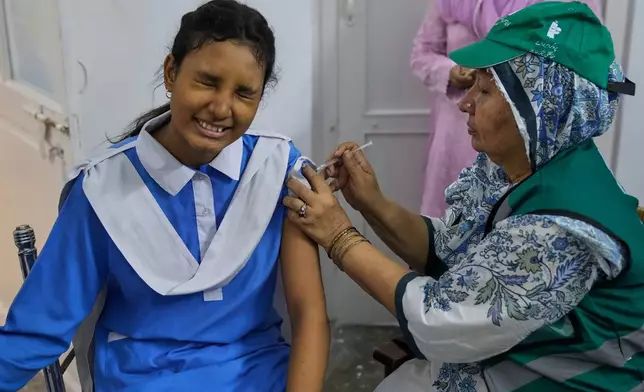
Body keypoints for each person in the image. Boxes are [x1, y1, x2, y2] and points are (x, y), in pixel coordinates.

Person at [285, 2, 642, 391]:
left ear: (540, 109)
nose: (464, 102)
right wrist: (370, 202)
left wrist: (338, 235)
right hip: (510, 360)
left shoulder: (560, 227)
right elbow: (449, 248)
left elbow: (440, 320)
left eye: (486, 89)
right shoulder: (527, 171)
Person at [0, 1, 329, 391]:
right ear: (171, 72)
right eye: (207, 81)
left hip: (258, 374)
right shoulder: (104, 188)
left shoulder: (274, 170)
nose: (221, 107)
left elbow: (310, 313)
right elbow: (36, 330)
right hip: (143, 378)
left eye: (244, 93)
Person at [412, 0, 601, 218]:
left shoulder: (572, 5)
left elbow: (587, 70)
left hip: (525, 135)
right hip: (456, 134)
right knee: (448, 224)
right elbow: (422, 53)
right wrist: (452, 71)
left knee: (514, 218)